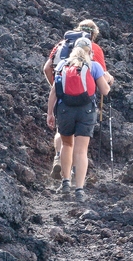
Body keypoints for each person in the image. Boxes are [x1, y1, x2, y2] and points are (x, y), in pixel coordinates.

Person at [43, 20, 114, 180]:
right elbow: (101, 73)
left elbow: (47, 68)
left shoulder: (61, 45)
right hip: (84, 101)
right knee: (79, 141)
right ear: (93, 35)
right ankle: (75, 174)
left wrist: (57, 88)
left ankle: (59, 158)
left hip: (63, 98)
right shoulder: (94, 48)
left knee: (61, 133)